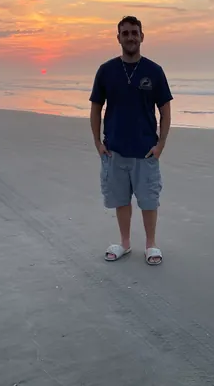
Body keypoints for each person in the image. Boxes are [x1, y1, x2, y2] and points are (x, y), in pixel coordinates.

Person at [89, 16, 173, 265]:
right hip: (114, 150)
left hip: (145, 151)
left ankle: (151, 245)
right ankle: (124, 243)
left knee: (148, 200)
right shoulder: (106, 71)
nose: (130, 37)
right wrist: (98, 143)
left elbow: (165, 110)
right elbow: (96, 108)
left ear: (142, 36)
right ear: (118, 38)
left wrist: (160, 145)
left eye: (134, 32)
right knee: (121, 200)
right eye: (125, 33)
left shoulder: (154, 71)